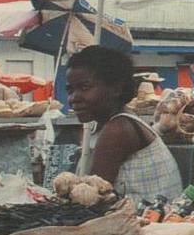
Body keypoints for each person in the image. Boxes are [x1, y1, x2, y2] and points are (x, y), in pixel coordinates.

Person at [66, 46, 183, 203]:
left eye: (84, 87)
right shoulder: (118, 122)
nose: (73, 98)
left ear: (116, 88)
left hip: (150, 222)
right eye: (70, 90)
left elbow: (89, 199)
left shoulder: (118, 130)